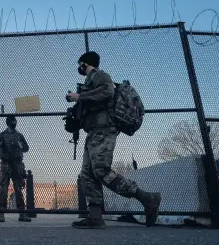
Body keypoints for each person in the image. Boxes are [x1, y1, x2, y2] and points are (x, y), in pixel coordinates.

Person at [66, 51, 161, 229]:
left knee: (101, 170)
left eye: (80, 64)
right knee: (87, 174)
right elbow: (93, 108)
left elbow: (107, 91)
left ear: (85, 64)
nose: (79, 68)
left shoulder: (100, 75)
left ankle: (147, 198)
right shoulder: (89, 82)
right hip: (94, 131)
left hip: (104, 129)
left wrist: (80, 97)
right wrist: (75, 119)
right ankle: (95, 216)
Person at [0, 115, 32, 222]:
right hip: (6, 165)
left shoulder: (19, 135)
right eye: (13, 121)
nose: (14, 122)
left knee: (18, 189)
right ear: (9, 123)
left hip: (17, 165)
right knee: (4, 189)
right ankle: (2, 214)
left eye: (15, 121)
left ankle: (22, 214)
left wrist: (19, 146)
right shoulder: (2, 135)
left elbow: (26, 148)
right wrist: (1, 147)